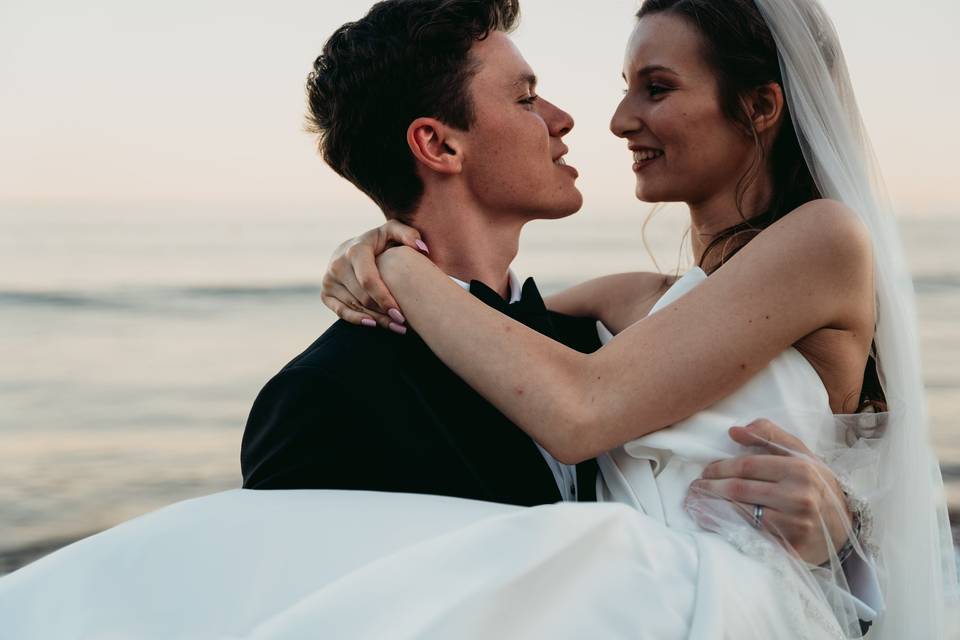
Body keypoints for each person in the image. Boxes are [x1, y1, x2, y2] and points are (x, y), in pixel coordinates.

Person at [319, 0, 958, 637]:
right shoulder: (631, 302)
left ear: (760, 107)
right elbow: (496, 317)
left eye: (657, 89)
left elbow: (578, 411)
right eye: (627, 90)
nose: (621, 121)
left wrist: (400, 265)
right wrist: (371, 249)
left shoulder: (826, 240)